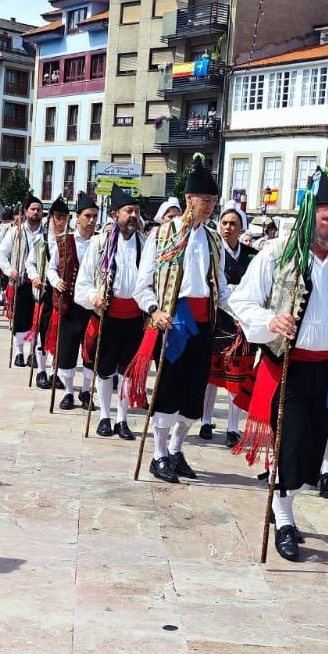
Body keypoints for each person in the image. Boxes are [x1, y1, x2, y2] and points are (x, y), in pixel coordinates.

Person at [227, 171, 328, 561]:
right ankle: (285, 519)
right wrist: (270, 321)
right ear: (311, 217)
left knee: (311, 451)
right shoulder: (278, 253)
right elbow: (241, 302)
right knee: (289, 447)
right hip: (288, 367)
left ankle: (286, 503)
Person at [133, 160, 226, 483]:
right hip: (174, 322)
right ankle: (158, 454)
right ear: (189, 199)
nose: (210, 208)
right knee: (168, 389)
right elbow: (141, 284)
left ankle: (176, 448)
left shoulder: (214, 240)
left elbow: (221, 286)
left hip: (204, 324)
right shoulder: (161, 236)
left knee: (194, 393)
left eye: (214, 202)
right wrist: (155, 310)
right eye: (206, 201)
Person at [75, 186, 145, 439]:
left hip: (136, 318)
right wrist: (94, 297)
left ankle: (122, 419)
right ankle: (104, 415)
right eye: (129, 211)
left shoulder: (145, 244)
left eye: (136, 211)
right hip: (108, 315)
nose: (133, 216)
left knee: (127, 372)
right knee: (104, 370)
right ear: (115, 215)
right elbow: (83, 282)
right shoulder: (100, 243)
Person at [202, 201, 256, 447]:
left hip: (244, 324)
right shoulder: (213, 251)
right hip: (218, 321)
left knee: (238, 376)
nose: (227, 228)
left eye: (233, 223)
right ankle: (205, 420)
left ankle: (233, 427)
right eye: (224, 222)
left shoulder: (252, 255)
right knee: (211, 376)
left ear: (241, 227)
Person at [47, 191, 100, 410]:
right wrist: (56, 281)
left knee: (91, 351)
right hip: (69, 305)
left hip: (93, 307)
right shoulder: (62, 242)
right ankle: (68, 391)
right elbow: (50, 268)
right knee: (67, 351)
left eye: (95, 216)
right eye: (87, 216)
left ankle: (86, 391)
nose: (91, 220)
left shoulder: (102, 242)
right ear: (77, 217)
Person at [0, 197, 48, 369]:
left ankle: (33, 352)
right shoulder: (15, 232)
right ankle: (19, 352)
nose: (36, 212)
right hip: (20, 282)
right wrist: (9, 270)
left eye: (39, 210)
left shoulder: (46, 234)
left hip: (39, 284)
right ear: (25, 211)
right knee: (19, 319)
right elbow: (1, 253)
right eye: (32, 209)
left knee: (37, 320)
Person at [29, 198, 71, 389]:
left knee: (62, 336)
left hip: (65, 295)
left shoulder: (70, 240)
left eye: (64, 217)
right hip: (46, 292)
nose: (61, 221)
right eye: (58, 217)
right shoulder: (41, 239)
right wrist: (35, 276)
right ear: (51, 218)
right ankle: (41, 371)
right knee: (43, 333)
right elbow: (30, 263)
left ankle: (57, 373)